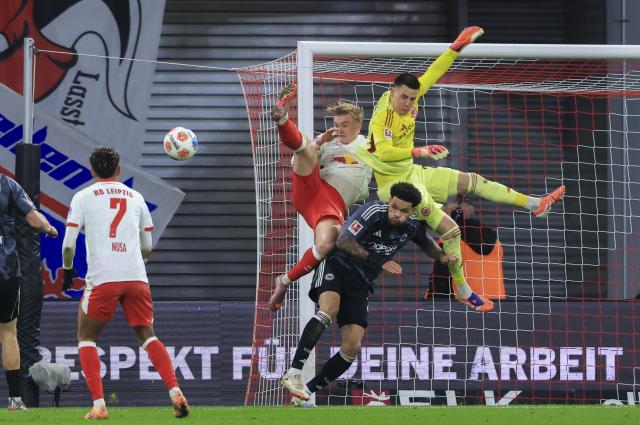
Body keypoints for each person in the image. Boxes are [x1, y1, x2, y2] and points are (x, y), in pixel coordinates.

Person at [347, 26, 565, 311]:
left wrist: (456, 47)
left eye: (413, 98)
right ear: (392, 93)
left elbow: (434, 73)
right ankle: (462, 289)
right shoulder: (382, 118)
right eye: (403, 98)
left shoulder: (411, 99)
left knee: (472, 181)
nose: (408, 104)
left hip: (414, 173)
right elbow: (386, 153)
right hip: (397, 187)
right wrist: (419, 150)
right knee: (451, 231)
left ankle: (536, 204)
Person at [280, 182, 456, 404]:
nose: (397, 214)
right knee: (328, 309)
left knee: (352, 346)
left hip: (362, 282)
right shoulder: (372, 211)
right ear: (389, 201)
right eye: (394, 207)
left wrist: (441, 257)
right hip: (337, 266)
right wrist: (379, 261)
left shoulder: (412, 224)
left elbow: (426, 242)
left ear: (412, 211)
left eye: (404, 211)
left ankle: (306, 391)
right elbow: (343, 240)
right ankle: (294, 372)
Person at [61, 147, 189, 419]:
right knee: (148, 336)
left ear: (91, 170)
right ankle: (174, 391)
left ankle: (99, 405)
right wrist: (133, 259)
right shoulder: (136, 197)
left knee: (86, 338)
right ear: (119, 169)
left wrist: (68, 270)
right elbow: (147, 246)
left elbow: (68, 245)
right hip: (135, 277)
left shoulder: (82, 197)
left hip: (103, 278)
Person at [267, 84, 373, 311]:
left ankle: (283, 281)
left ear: (358, 125)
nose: (339, 129)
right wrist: (319, 142)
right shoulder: (329, 142)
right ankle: (282, 117)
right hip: (312, 187)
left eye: (345, 125)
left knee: (326, 243)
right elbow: (297, 163)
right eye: (336, 125)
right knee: (305, 150)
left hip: (331, 205)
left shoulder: (371, 148)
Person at [0, 173, 57, 411]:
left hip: (6, 269)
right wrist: (49, 228)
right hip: (5, 270)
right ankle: (14, 400)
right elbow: (34, 220)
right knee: (8, 333)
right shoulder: (7, 184)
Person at [429, 197, 505, 300]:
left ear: (453, 212)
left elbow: (440, 282)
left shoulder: (449, 240)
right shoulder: (496, 242)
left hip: (464, 305)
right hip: (498, 305)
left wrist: (431, 301)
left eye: (445, 207)